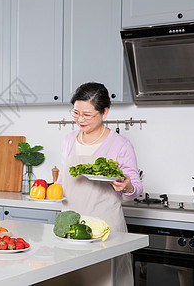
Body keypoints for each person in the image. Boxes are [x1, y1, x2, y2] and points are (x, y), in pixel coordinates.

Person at [56, 82, 143, 286]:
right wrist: (49, 191)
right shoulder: (68, 140)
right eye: (76, 113)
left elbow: (135, 189)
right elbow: (62, 181)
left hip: (107, 231)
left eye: (87, 115)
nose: (80, 120)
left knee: (105, 280)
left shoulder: (120, 144)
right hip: (71, 228)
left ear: (104, 112)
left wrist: (128, 186)